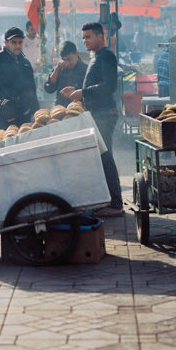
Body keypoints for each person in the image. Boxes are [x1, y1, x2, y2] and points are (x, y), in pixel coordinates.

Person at [60, 22, 124, 217]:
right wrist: (78, 92)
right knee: (100, 156)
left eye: (88, 37)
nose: (85, 41)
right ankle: (107, 199)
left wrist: (83, 92)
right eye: (83, 38)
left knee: (106, 157)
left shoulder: (106, 56)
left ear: (100, 36)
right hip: (97, 112)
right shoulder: (96, 57)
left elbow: (109, 85)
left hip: (105, 112)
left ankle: (116, 203)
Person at [0, 26, 39, 130]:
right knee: (1, 143)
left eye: (20, 42)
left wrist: (36, 111)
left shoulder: (25, 63)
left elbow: (32, 89)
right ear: (6, 43)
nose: (17, 46)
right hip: (2, 113)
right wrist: (2, 102)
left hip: (23, 114)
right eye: (14, 42)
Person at [43, 40, 88, 107]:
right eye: (64, 59)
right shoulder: (60, 68)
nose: (67, 63)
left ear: (77, 54)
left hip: (77, 109)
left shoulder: (86, 69)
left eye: (69, 59)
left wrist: (75, 90)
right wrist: (57, 69)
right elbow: (49, 88)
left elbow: (89, 92)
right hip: (59, 109)